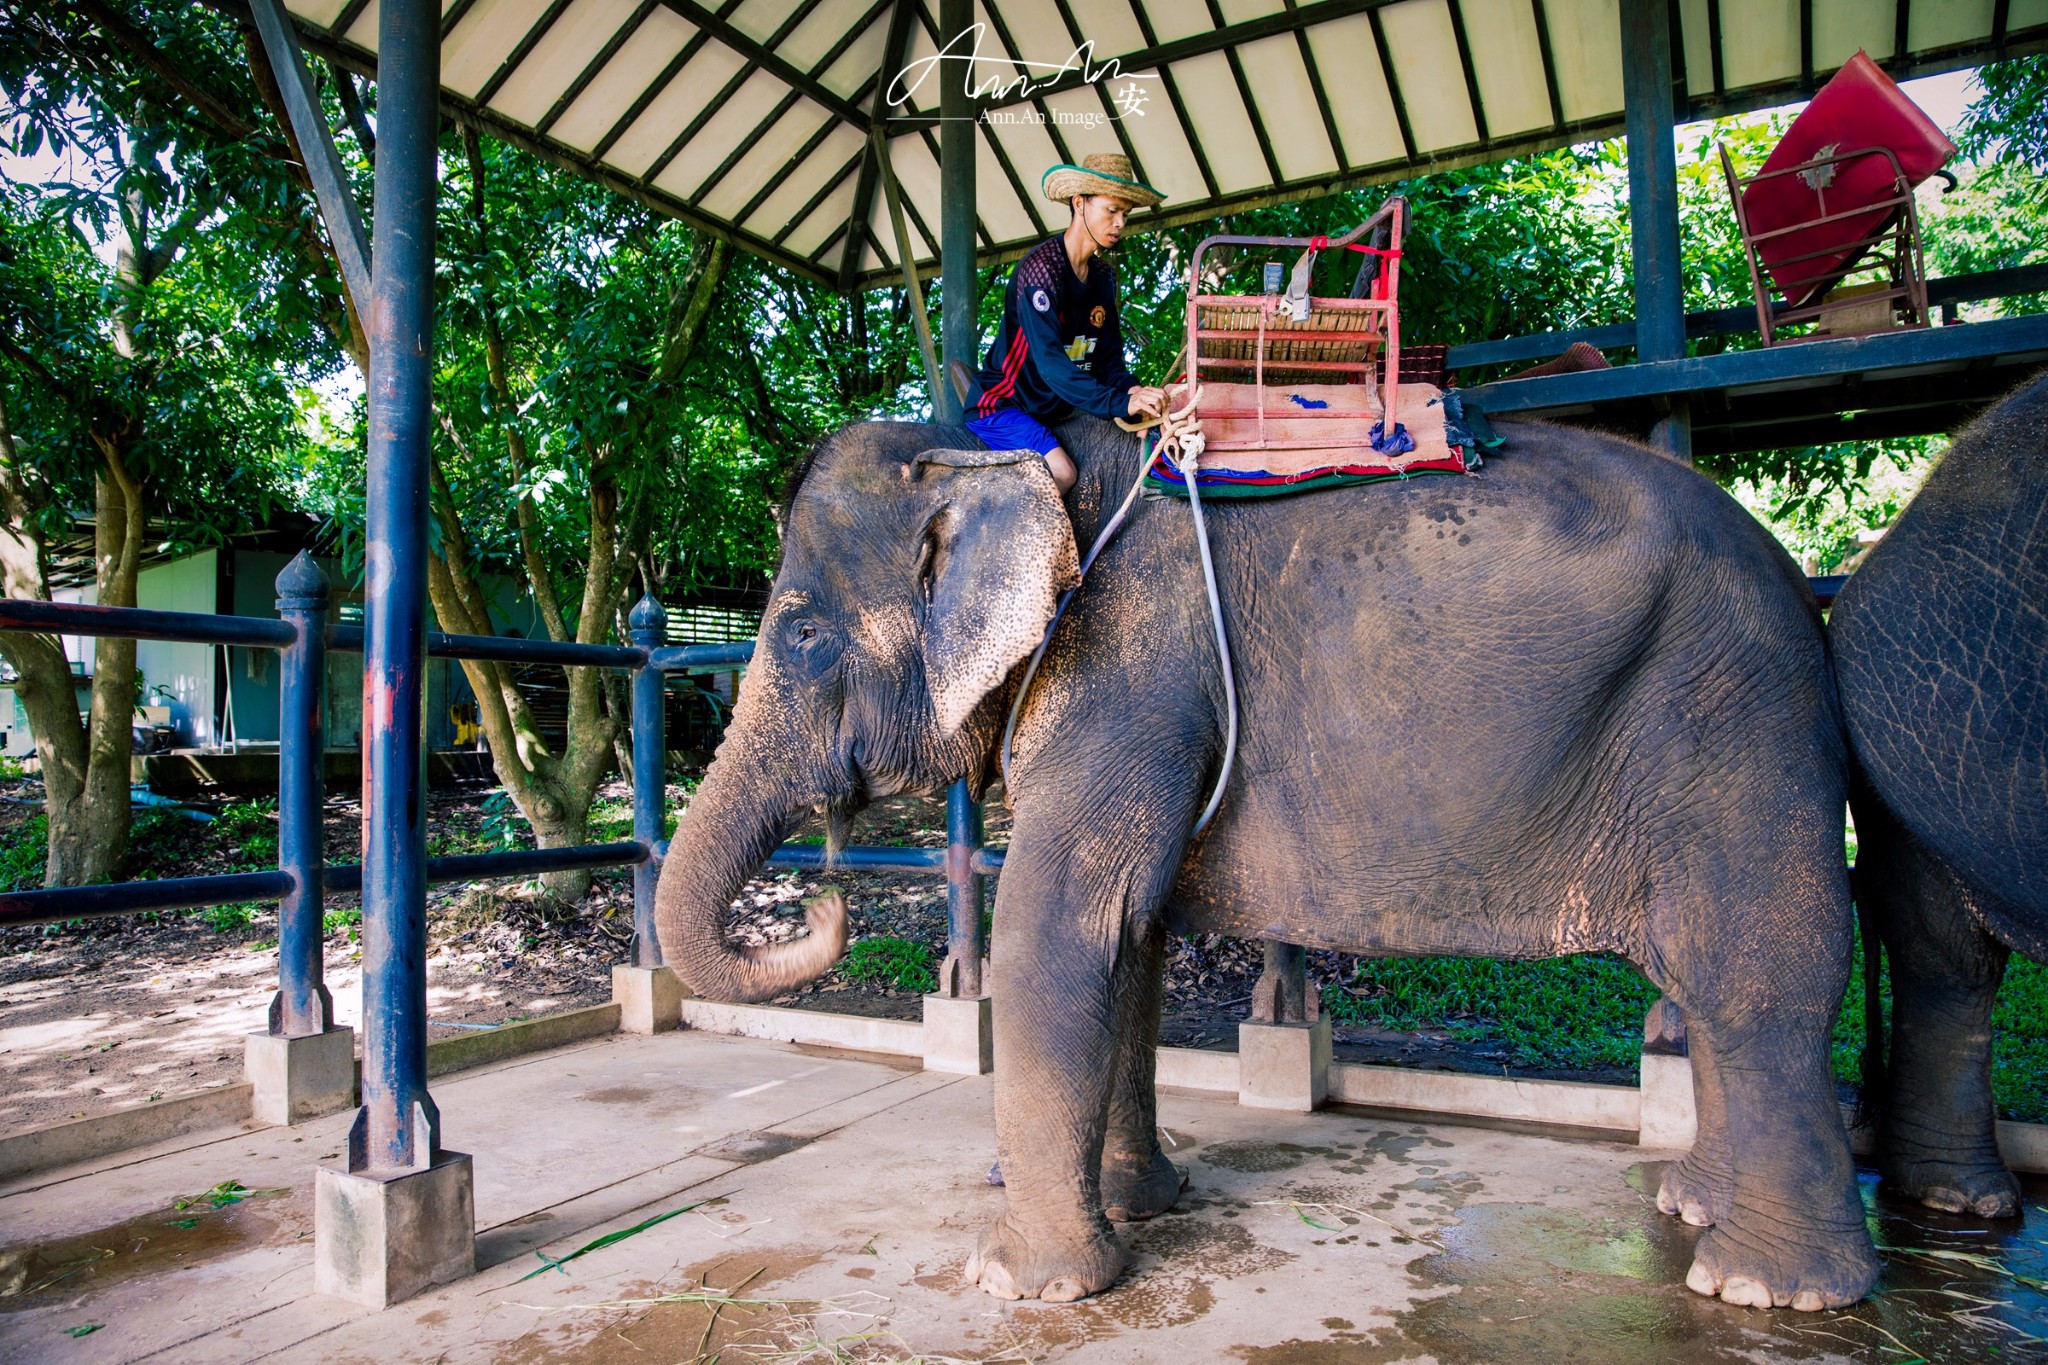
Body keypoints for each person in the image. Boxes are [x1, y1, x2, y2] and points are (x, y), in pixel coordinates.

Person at [962, 153, 1169, 492]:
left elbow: (1108, 361)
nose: (1120, 223)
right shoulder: (1040, 271)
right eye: (1111, 210)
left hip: (1054, 411)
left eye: (1125, 214)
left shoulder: (1103, 278)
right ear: (1079, 203)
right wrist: (1119, 403)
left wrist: (1134, 392)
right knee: (1064, 473)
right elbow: (1052, 367)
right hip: (1004, 406)